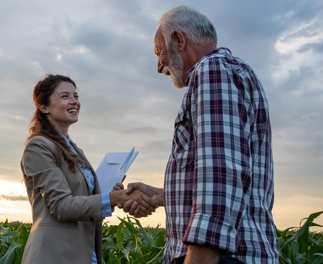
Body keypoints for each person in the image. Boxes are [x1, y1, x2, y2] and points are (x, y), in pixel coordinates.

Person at [118, 6, 279, 264]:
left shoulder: (213, 70)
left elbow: (220, 173)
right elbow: (230, 173)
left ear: (179, 40)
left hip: (220, 258)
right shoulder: (232, 72)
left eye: (159, 52)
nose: (160, 66)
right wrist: (161, 195)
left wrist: (200, 257)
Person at [20, 74, 156, 264]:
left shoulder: (75, 149)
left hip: (86, 254)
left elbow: (83, 200)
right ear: (43, 107)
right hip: (55, 254)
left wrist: (110, 194)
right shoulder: (39, 146)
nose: (74, 101)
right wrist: (112, 198)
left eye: (76, 96)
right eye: (65, 96)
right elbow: (61, 206)